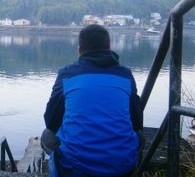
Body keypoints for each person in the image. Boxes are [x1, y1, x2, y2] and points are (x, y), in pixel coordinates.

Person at [42, 24, 143, 177]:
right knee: (140, 137)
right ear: (109, 46)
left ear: (79, 49)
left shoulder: (67, 75)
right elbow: (137, 122)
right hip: (122, 169)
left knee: (47, 135)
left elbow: (51, 122)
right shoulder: (125, 75)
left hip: (74, 170)